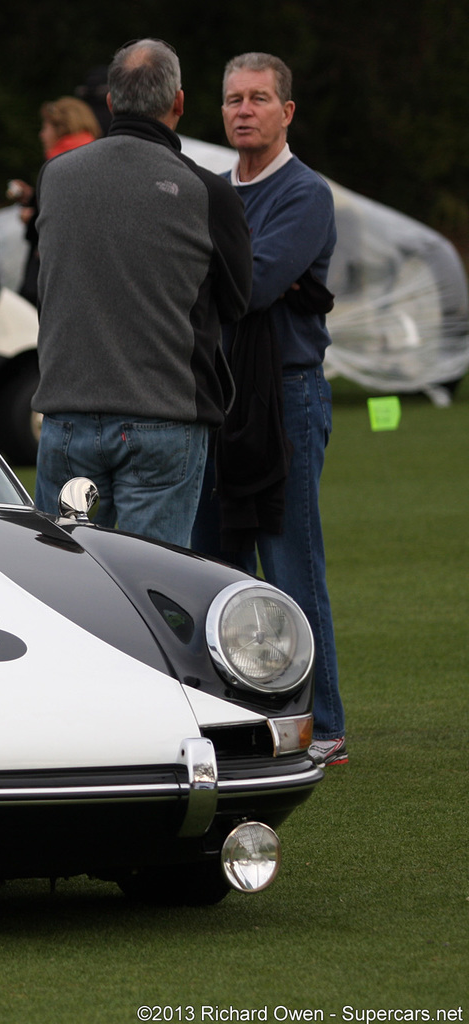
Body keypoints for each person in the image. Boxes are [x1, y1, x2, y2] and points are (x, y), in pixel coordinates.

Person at [30, 38, 251, 547]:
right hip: (164, 417)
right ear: (178, 102)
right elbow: (239, 301)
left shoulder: (55, 177)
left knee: (66, 589)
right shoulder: (208, 194)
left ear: (109, 101)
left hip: (66, 417)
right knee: (151, 593)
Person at [190, 53, 347, 766]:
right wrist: (231, 274)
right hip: (219, 394)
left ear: (287, 112)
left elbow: (247, 287)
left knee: (289, 561)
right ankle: (233, 719)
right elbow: (210, 280)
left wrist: (227, 274)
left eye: (258, 98)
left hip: (286, 393)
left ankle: (325, 724)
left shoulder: (305, 193)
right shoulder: (212, 190)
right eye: (232, 99)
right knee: (212, 565)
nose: (243, 109)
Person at [9, 96, 101, 306]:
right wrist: (32, 197)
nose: (42, 135)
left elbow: (55, 219)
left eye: (46, 128)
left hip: (54, 272)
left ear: (61, 128)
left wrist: (31, 218)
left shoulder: (58, 164)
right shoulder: (96, 155)